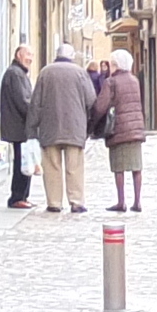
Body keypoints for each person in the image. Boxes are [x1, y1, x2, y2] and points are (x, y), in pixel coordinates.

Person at [28, 43, 98, 213]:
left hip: (49, 127)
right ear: (72, 56)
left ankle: (54, 202)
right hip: (75, 128)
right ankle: (76, 201)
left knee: (52, 167)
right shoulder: (80, 73)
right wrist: (90, 126)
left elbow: (36, 103)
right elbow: (91, 100)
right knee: (74, 167)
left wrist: (31, 128)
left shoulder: (45, 72)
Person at [95, 46, 152, 212]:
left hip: (118, 129)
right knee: (136, 167)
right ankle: (137, 201)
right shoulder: (134, 80)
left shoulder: (111, 82)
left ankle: (121, 201)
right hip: (135, 128)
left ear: (115, 65)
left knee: (119, 167)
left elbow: (101, 105)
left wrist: (94, 122)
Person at [0, 42, 37, 208]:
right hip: (19, 126)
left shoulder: (19, 73)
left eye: (32, 56)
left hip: (20, 125)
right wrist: (36, 115)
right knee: (22, 162)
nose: (31, 59)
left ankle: (23, 196)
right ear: (19, 55)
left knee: (25, 161)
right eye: (28, 55)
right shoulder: (16, 74)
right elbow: (23, 101)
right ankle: (17, 197)